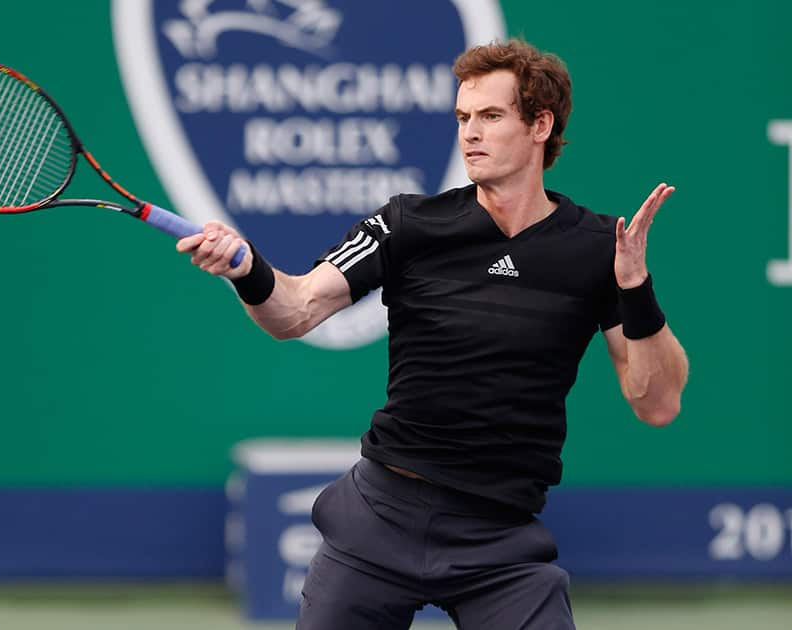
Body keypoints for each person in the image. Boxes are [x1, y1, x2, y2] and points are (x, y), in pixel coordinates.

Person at [177, 38, 689, 630]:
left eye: (491, 116)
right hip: (380, 518)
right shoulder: (406, 226)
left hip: (501, 538)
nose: (470, 133)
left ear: (540, 125)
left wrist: (636, 287)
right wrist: (247, 269)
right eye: (463, 118)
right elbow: (296, 311)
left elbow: (657, 402)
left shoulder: (599, 247)